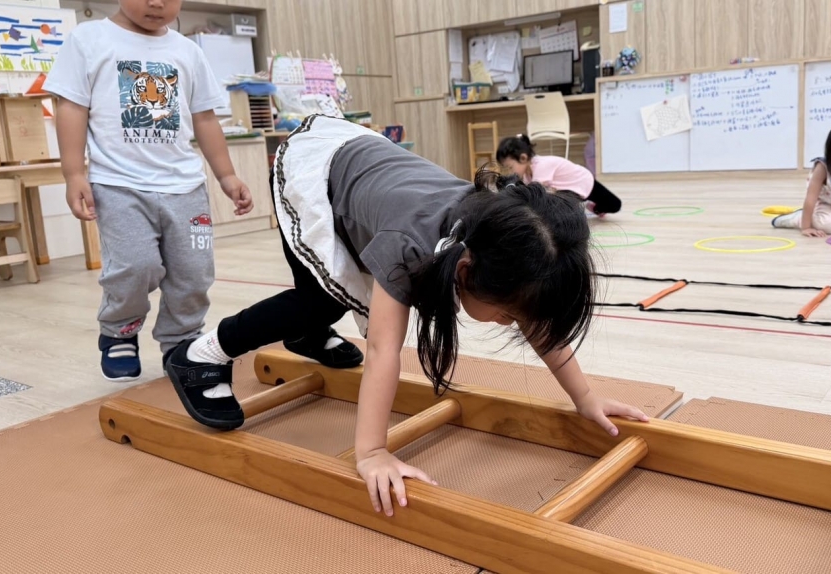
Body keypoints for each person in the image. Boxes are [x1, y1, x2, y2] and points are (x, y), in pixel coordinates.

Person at [163, 114, 649, 517]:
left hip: (365, 168)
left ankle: (306, 336)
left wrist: (585, 397)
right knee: (320, 299)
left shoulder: (497, 239)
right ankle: (201, 355)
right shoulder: (411, 248)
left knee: (329, 292)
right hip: (314, 167)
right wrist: (372, 452)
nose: (512, 324)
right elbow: (382, 351)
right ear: (464, 271)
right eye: (506, 316)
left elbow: (538, 324)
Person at [44, 0, 254, 382]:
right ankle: (119, 329)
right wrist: (74, 173)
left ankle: (181, 338)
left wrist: (227, 175)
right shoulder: (89, 40)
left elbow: (205, 118)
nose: (156, 2)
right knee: (134, 266)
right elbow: (71, 108)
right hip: (119, 184)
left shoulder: (188, 51)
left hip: (185, 186)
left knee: (194, 272)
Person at [496, 134, 622, 217]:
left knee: (615, 205)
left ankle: (592, 206)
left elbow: (535, 197)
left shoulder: (541, 166)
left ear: (523, 158)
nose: (509, 172)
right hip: (569, 190)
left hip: (583, 181)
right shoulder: (527, 175)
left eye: (510, 167)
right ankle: (579, 204)